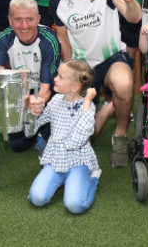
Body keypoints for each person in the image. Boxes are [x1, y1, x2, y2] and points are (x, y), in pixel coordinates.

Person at [48, 0, 141, 167]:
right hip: (83, 67)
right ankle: (106, 110)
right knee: (85, 136)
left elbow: (133, 17)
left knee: (123, 85)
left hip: (112, 58)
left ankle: (120, 134)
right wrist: (69, 75)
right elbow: (64, 40)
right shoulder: (58, 0)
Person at [0, 0, 61, 152]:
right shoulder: (5, 38)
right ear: (10, 20)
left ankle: (46, 129)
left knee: (54, 137)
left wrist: (35, 105)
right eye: (18, 20)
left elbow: (46, 88)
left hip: (49, 93)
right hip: (22, 93)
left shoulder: (48, 39)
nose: (24, 26)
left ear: (38, 19)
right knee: (17, 145)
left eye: (29, 19)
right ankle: (37, 131)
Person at [26, 60, 101, 215]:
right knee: (37, 198)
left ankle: (93, 178)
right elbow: (31, 130)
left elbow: (77, 140)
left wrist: (88, 100)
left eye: (60, 77)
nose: (55, 78)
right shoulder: (55, 100)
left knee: (75, 205)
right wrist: (31, 113)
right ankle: (65, 181)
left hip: (78, 162)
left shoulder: (87, 107)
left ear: (74, 87)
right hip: (55, 160)